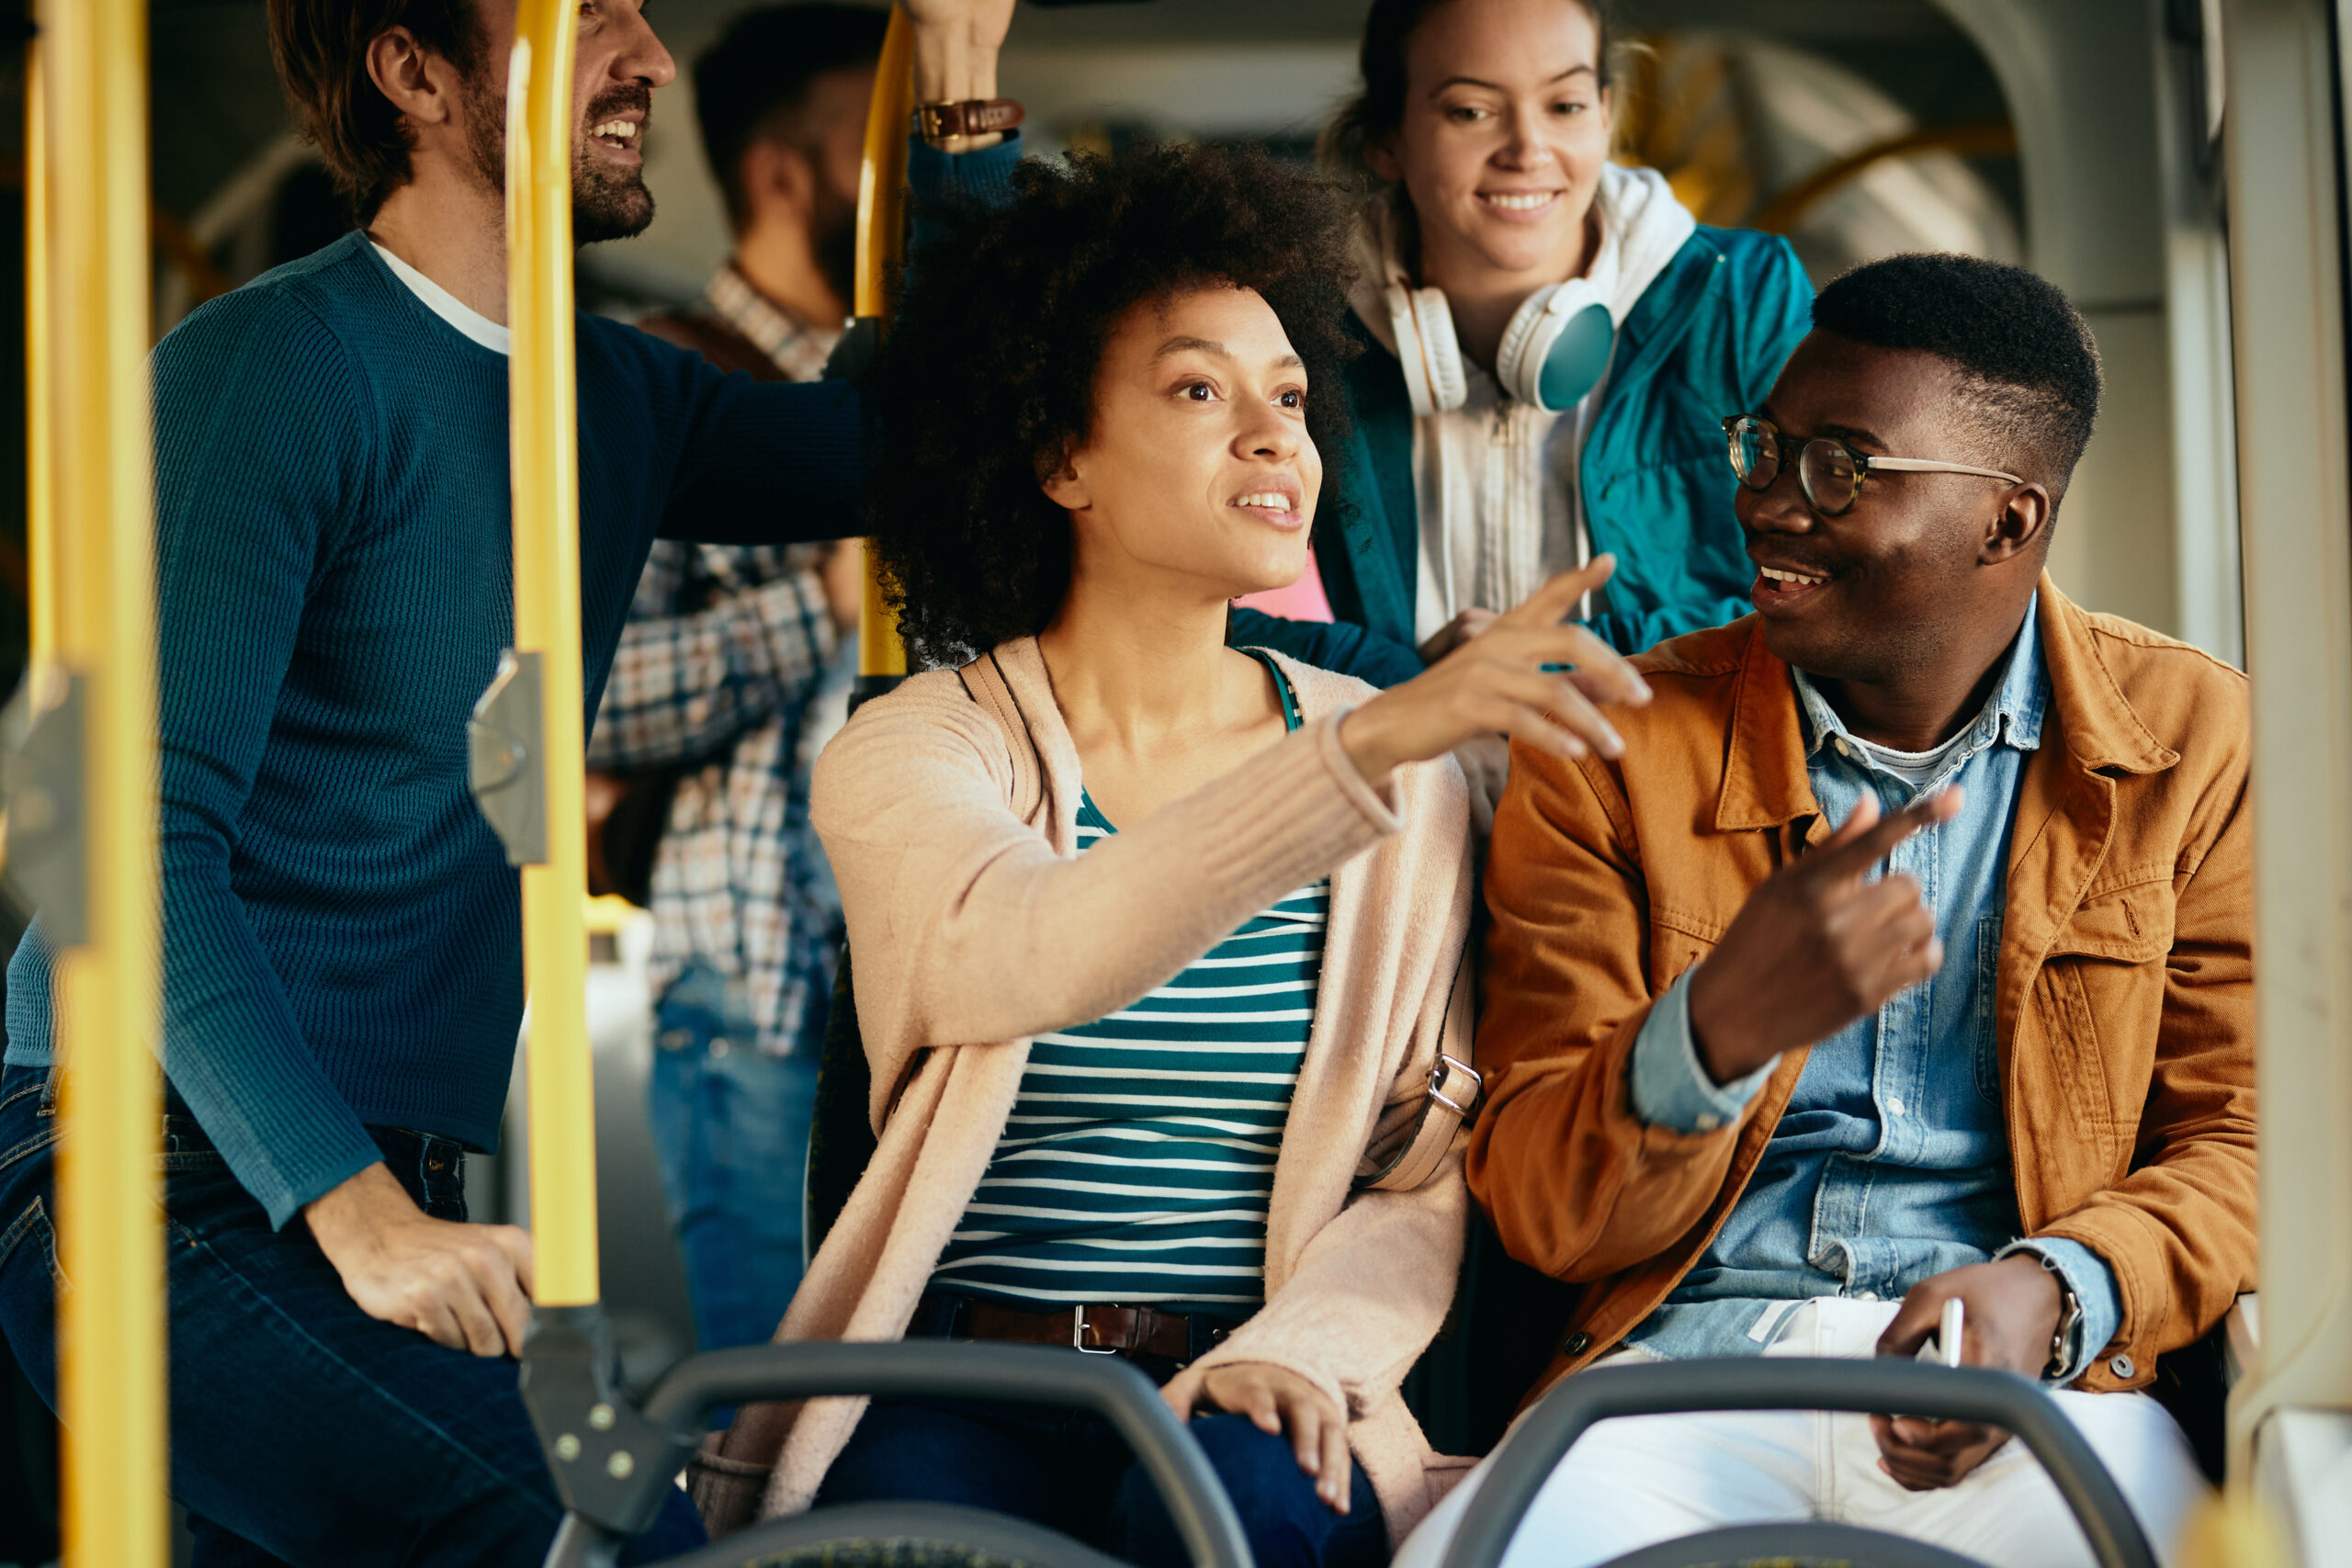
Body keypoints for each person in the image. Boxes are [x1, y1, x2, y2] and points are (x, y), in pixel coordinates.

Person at [0, 0, 1021, 1562]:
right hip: (149, 1167)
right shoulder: (266, 367)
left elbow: (916, 448)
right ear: (411, 71)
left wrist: (952, 85)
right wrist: (363, 1212)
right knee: (602, 1536)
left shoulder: (612, 393)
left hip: (368, 1180)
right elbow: (124, 839)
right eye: (585, 11)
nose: (651, 57)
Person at [691, 143, 1654, 1567]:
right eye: (1202, 390)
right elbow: (1027, 945)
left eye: (1291, 398)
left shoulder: (1414, 784)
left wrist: (1306, 1349)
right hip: (971, 1382)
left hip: (1257, 1373)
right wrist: (1367, 755)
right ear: (1059, 454)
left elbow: (1415, 1173)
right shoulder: (916, 748)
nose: (1275, 438)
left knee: (1238, 1515)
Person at [1396, 253, 2253, 1568]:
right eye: (1766, 446)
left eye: (1839, 468)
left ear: (2007, 519)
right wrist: (1714, 1032)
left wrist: (2056, 1289)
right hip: (1675, 1366)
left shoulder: (2195, 738)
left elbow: (2245, 1145)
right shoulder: (1607, 744)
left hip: (2037, 1376)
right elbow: (1547, 1212)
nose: (1763, 502)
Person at [586, 2, 888, 1359]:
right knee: (765, 1402)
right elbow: (575, 694)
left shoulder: (904, 398)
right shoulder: (651, 377)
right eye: (871, 142)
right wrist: (809, 605)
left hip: (920, 987)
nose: (904, 180)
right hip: (750, 984)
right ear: (779, 173)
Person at [1231, 0, 1815, 686]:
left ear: (1604, 114)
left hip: (1667, 778)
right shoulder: (1302, 326)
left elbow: (1827, 583)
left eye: (1564, 105)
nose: (1527, 150)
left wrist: (1554, 653)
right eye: (1471, 111)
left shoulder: (1743, 297)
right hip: (1418, 776)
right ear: (1388, 138)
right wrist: (1392, 674)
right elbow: (1154, 592)